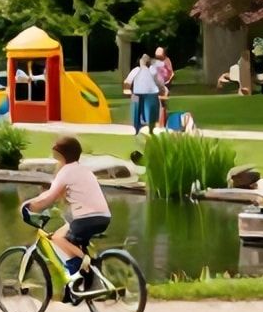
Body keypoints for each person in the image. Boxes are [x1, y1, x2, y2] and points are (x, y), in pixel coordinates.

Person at [21, 136, 111, 286]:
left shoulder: (66, 171)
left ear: (61, 155)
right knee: (62, 233)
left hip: (85, 218)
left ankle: (84, 259)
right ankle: (82, 278)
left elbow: (49, 197)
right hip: (103, 216)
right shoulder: (84, 170)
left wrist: (29, 206)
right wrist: (39, 200)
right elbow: (54, 194)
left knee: (57, 239)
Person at [123, 54, 162, 135]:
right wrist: (129, 92)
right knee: (137, 111)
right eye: (142, 58)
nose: (143, 60)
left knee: (150, 113)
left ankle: (150, 130)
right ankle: (138, 130)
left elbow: (158, 81)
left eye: (145, 58)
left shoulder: (151, 69)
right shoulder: (136, 70)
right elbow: (127, 82)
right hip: (138, 93)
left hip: (150, 94)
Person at [154, 47, 175, 127]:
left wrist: (168, 83)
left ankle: (162, 122)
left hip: (164, 85)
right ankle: (158, 121)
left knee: (162, 104)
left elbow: (171, 74)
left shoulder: (167, 61)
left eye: (160, 56)